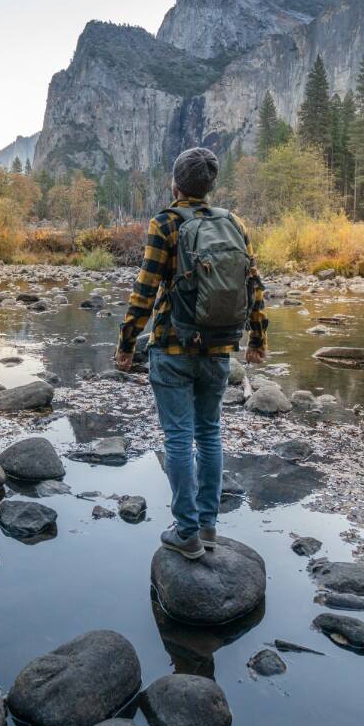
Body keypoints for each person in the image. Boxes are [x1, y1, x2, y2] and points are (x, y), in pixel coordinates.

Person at [115, 146, 267, 560]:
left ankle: (186, 532)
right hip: (219, 348)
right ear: (210, 185)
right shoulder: (233, 222)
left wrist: (127, 343)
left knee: (179, 438)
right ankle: (209, 526)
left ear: (175, 183)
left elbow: (145, 291)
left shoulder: (165, 223)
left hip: (173, 347)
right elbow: (253, 283)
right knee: (210, 433)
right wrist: (258, 340)